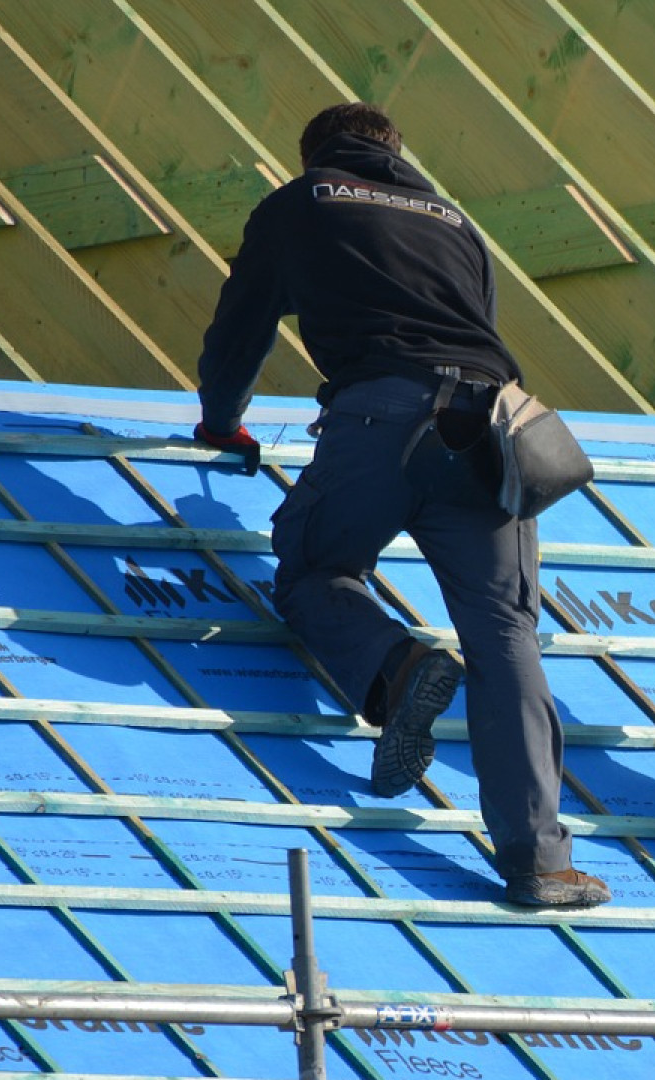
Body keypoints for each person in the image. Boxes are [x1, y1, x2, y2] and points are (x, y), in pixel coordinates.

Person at [192, 102, 608, 909]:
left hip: (380, 418)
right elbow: (469, 330)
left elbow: (240, 328)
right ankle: (540, 863)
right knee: (506, 634)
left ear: (317, 154)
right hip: (490, 429)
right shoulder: (455, 221)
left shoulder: (301, 202)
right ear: (397, 152)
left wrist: (221, 422)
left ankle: (397, 664)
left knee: (315, 566)